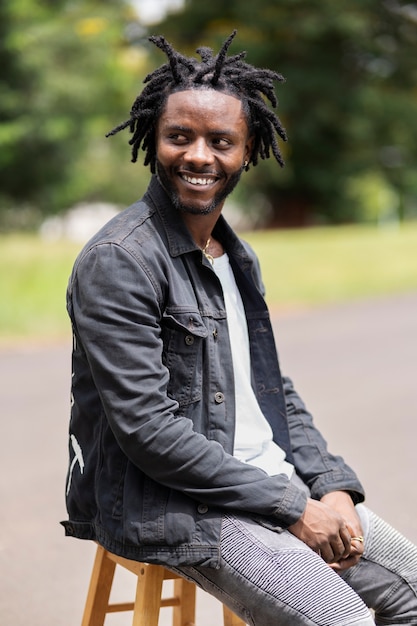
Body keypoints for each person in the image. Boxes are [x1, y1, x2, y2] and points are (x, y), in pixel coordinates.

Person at [62, 31, 417, 625]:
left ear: (246, 152)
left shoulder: (235, 254)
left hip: (272, 484)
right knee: (342, 620)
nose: (199, 155)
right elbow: (150, 433)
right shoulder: (119, 261)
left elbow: (271, 391)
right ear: (154, 140)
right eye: (180, 136)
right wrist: (292, 507)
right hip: (179, 504)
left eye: (220, 141)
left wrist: (332, 487)